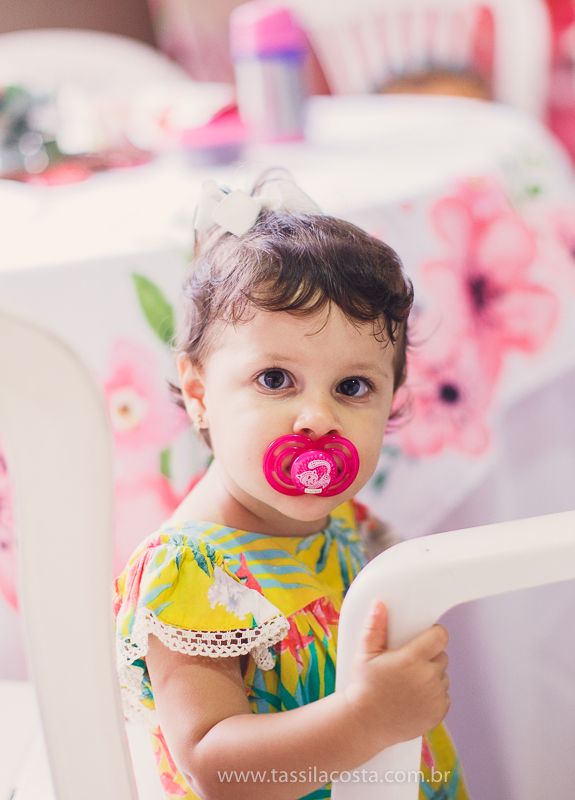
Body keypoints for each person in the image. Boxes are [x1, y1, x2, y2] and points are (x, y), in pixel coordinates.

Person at [113, 173, 467, 800]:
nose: (318, 418)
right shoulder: (193, 574)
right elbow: (215, 766)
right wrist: (366, 719)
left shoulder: (346, 520)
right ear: (198, 393)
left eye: (353, 387)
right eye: (275, 379)